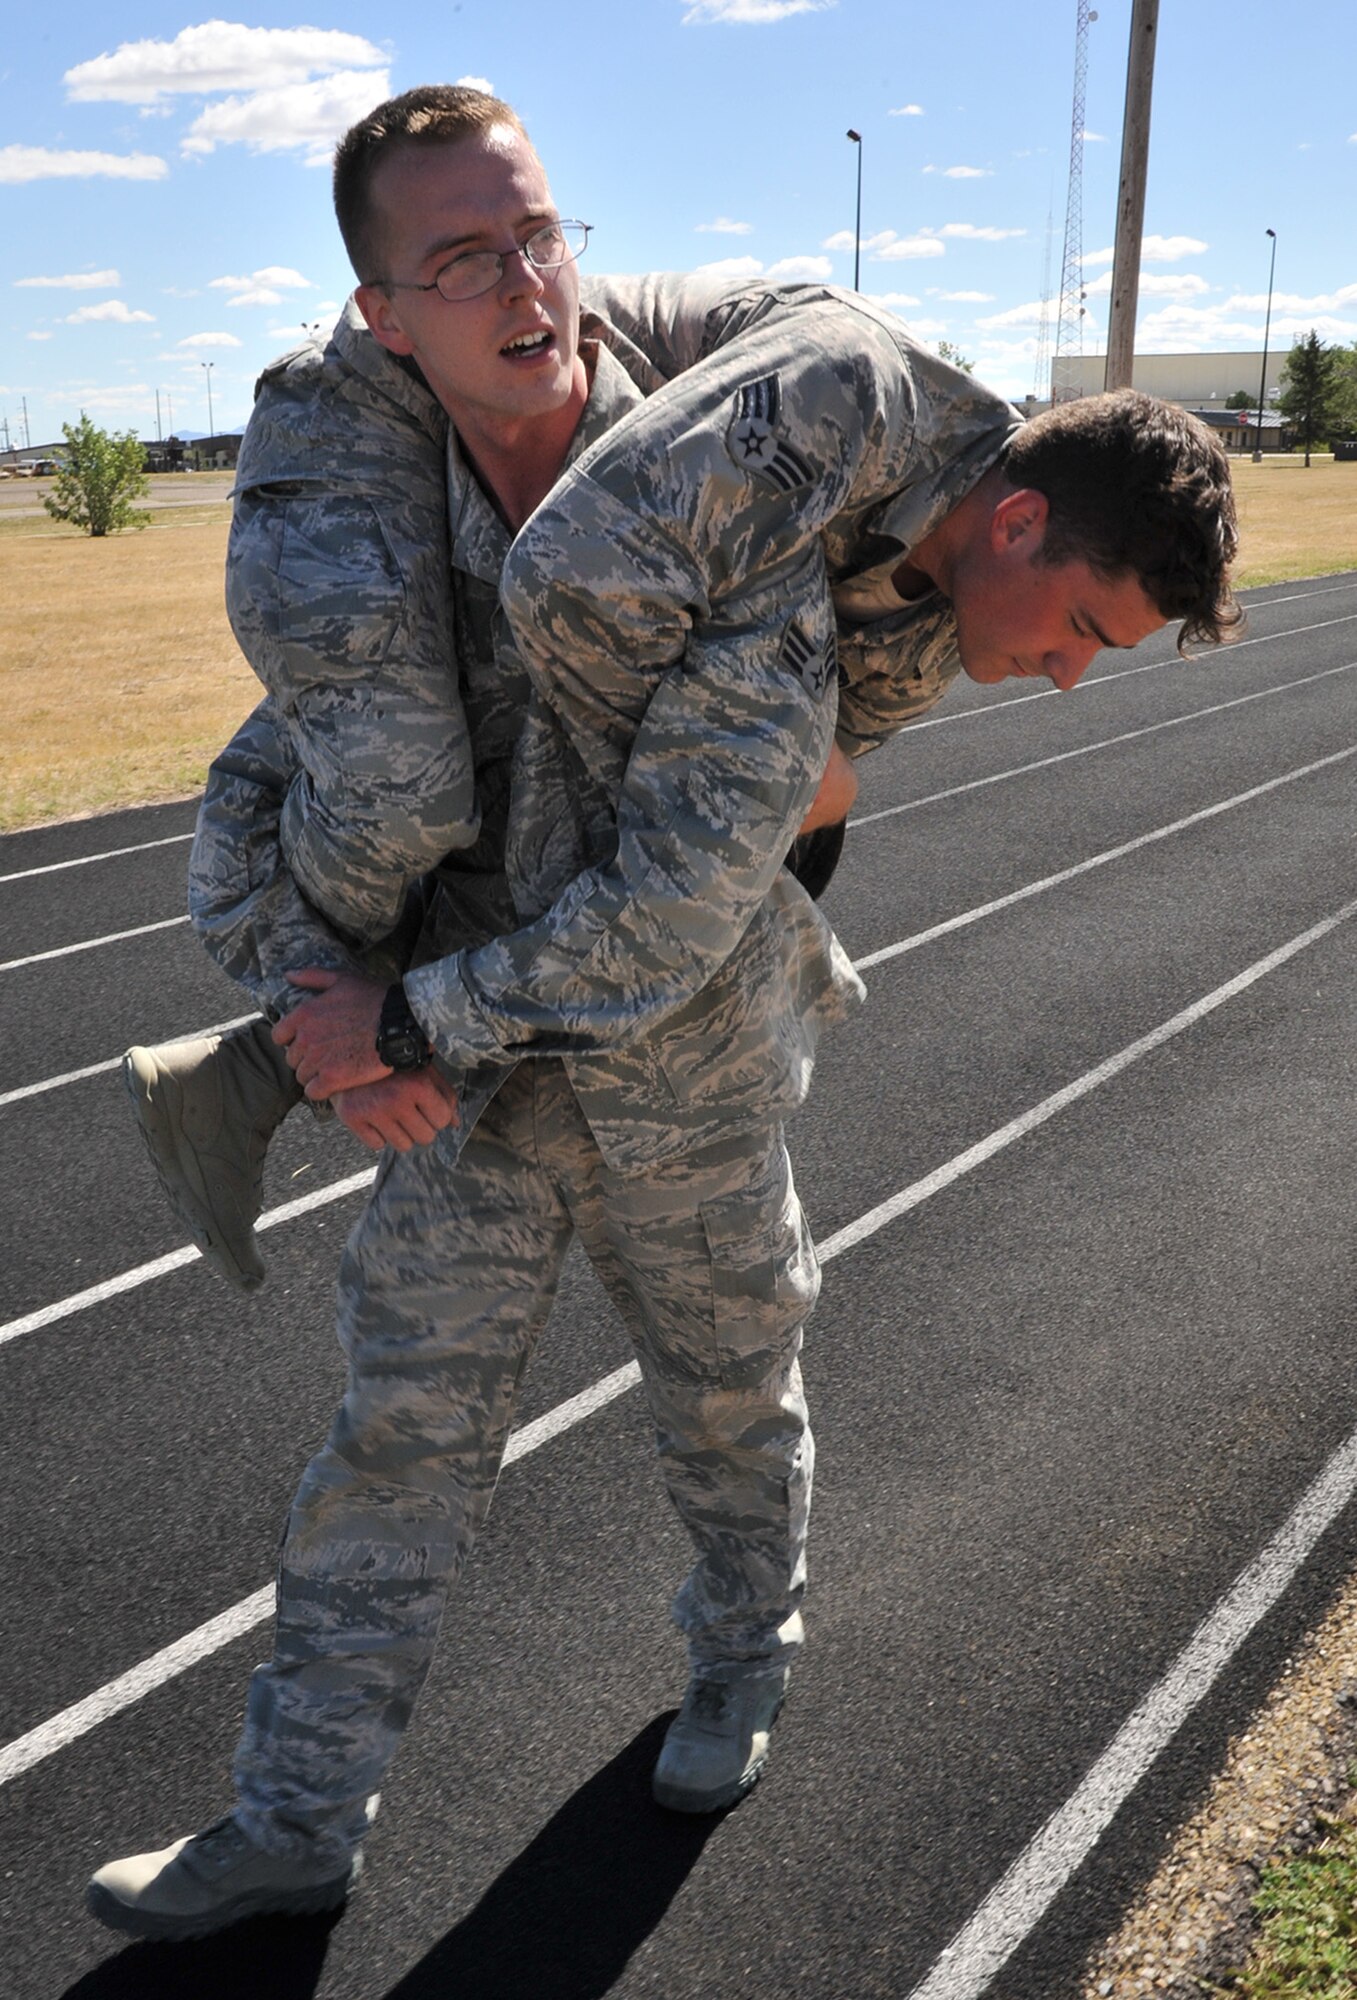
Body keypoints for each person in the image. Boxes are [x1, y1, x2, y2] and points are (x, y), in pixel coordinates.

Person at [90, 83, 1240, 1942]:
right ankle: (290, 1820)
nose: (522, 286)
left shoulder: (743, 496)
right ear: (386, 314)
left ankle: (740, 1663)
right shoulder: (370, 526)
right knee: (393, 1444)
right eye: (461, 260)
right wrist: (310, 1003)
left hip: (673, 1067)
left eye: (538, 236)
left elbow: (689, 887)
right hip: (455, 1090)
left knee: (730, 1401)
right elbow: (280, 767)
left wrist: (390, 1027)